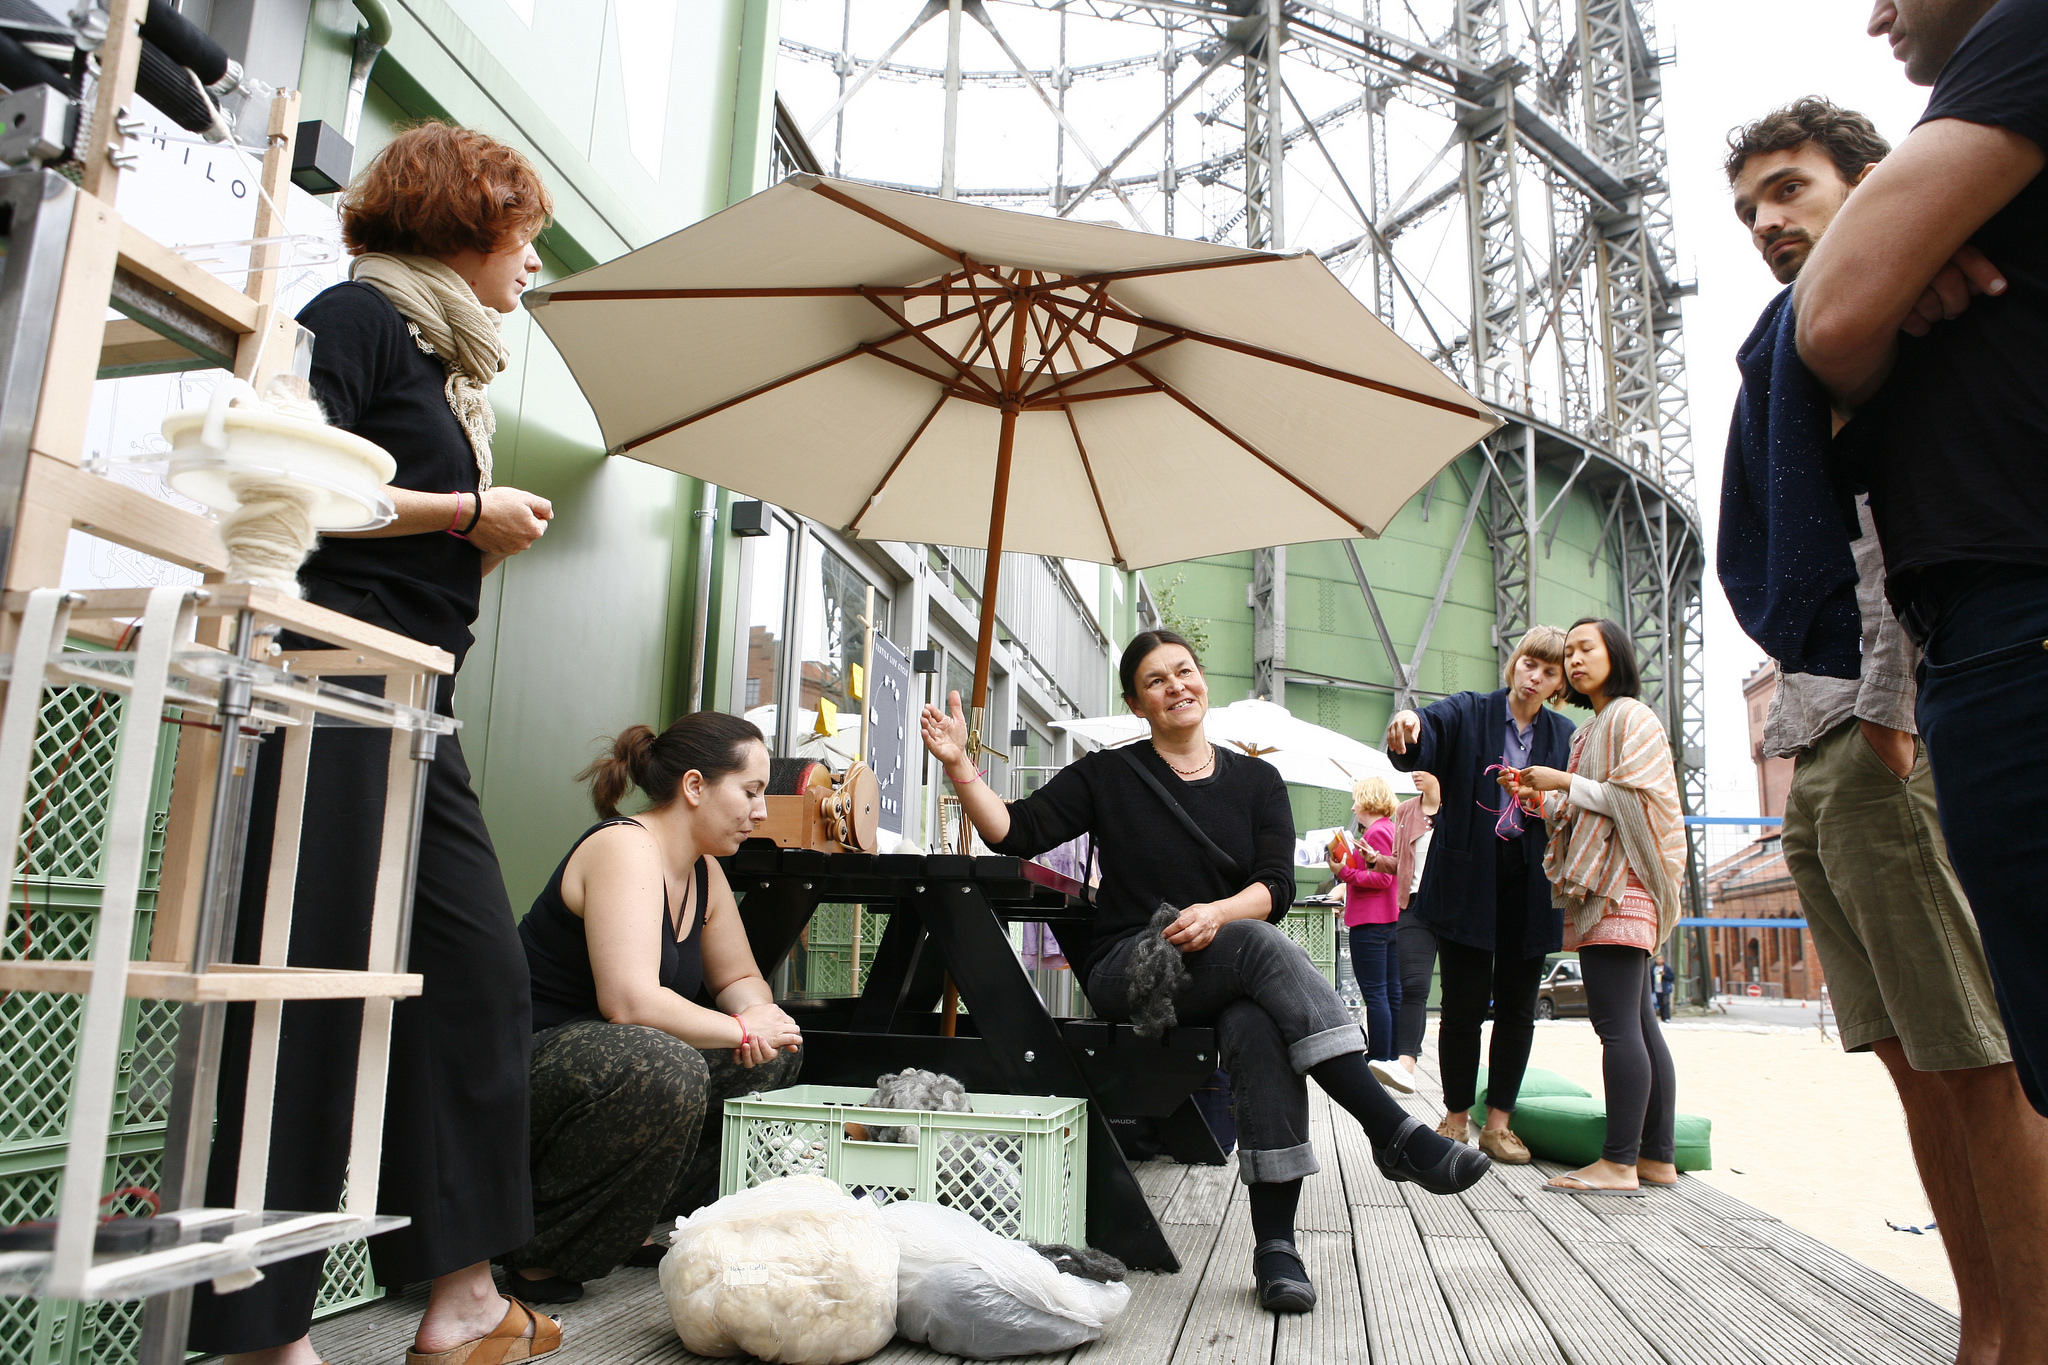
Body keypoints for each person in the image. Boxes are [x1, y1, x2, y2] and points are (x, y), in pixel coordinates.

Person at [191, 122, 563, 1365]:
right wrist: (463, 512)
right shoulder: (352, 317)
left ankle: (464, 1299)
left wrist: (470, 527)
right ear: (466, 224)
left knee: (474, 979)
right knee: (303, 994)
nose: (531, 264)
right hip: (322, 687)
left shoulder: (443, 363)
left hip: (409, 702)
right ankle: (261, 1332)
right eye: (522, 237)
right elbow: (281, 480)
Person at [1724, 95, 2043, 1360]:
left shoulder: (1911, 312)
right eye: (1747, 209)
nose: (1765, 222)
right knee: (1910, 1060)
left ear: (1872, 183)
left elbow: (1918, 535)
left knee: (1976, 1058)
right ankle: (1981, 1324)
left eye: (1788, 188)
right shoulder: (1807, 354)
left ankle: (2018, 1336)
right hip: (1816, 745)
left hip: (1881, 730)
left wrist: (1890, 714)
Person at [923, 630, 1487, 1317]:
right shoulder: (1109, 774)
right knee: (1255, 946)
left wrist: (1217, 913)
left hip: (1221, 965)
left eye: (1184, 670)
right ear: (1136, 703)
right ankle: (1390, 1129)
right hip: (1130, 966)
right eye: (1155, 680)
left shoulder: (1258, 783)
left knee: (1255, 1023)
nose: (1176, 686)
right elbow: (1012, 831)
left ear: (1203, 679)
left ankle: (1276, 1248)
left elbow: (1276, 886)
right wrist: (960, 763)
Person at [505, 713, 803, 1303]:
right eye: (750, 792)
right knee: (668, 1065)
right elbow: (630, 1001)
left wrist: (759, 1021)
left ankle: (623, 1220)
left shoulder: (704, 871)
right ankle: (540, 1247)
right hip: (525, 1072)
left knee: (774, 1057)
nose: (761, 811)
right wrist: (741, 1027)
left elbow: (739, 977)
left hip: (614, 1067)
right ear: (694, 786)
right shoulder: (624, 846)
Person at [1502, 619, 1685, 1196]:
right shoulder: (1592, 729)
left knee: (1616, 1026)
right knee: (1639, 1023)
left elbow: (1639, 800)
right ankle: (1655, 1157)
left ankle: (1619, 1163)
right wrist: (1541, 798)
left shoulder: (1631, 717)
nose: (1575, 661)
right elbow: (1587, 807)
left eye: (1587, 649)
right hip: (1609, 883)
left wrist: (1561, 779)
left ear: (1617, 654)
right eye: (1570, 654)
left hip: (1621, 885)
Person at [1384, 627, 1573, 1166]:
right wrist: (1409, 725)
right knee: (1463, 1006)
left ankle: (1498, 1125)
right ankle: (1455, 1115)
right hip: (1468, 879)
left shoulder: (1564, 735)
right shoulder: (1470, 711)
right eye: (1530, 663)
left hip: (1530, 882)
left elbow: (1576, 800)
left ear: (1559, 685)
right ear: (1515, 663)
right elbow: (1428, 728)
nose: (1536, 677)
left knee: (1518, 1008)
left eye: (1550, 672)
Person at [1330, 777, 1401, 1069]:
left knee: (1375, 992)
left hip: (1371, 920)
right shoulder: (1389, 828)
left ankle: (1379, 1054)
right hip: (1389, 919)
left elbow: (1382, 878)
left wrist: (1344, 872)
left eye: (1356, 800)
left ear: (1369, 801)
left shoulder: (1377, 832)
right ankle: (1392, 1053)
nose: (1354, 807)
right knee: (1390, 991)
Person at [1379, 771, 1441, 1094]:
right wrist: (1376, 860)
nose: (1415, 772)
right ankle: (1406, 1064)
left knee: (1457, 996)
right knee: (1414, 986)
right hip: (1414, 906)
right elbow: (1399, 862)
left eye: (1423, 766)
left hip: (1455, 907)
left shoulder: (1461, 807)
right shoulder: (1405, 811)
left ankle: (1456, 1083)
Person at [1652, 954, 1674, 1024]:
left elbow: (1672, 977)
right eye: (1657, 959)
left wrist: (1664, 975)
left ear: (1663, 960)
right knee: (1659, 1003)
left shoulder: (1667, 968)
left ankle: (1667, 1017)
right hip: (1656, 988)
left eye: (1660, 959)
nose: (1658, 960)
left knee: (1665, 1003)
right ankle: (1662, 1018)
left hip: (1665, 988)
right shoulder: (1653, 968)